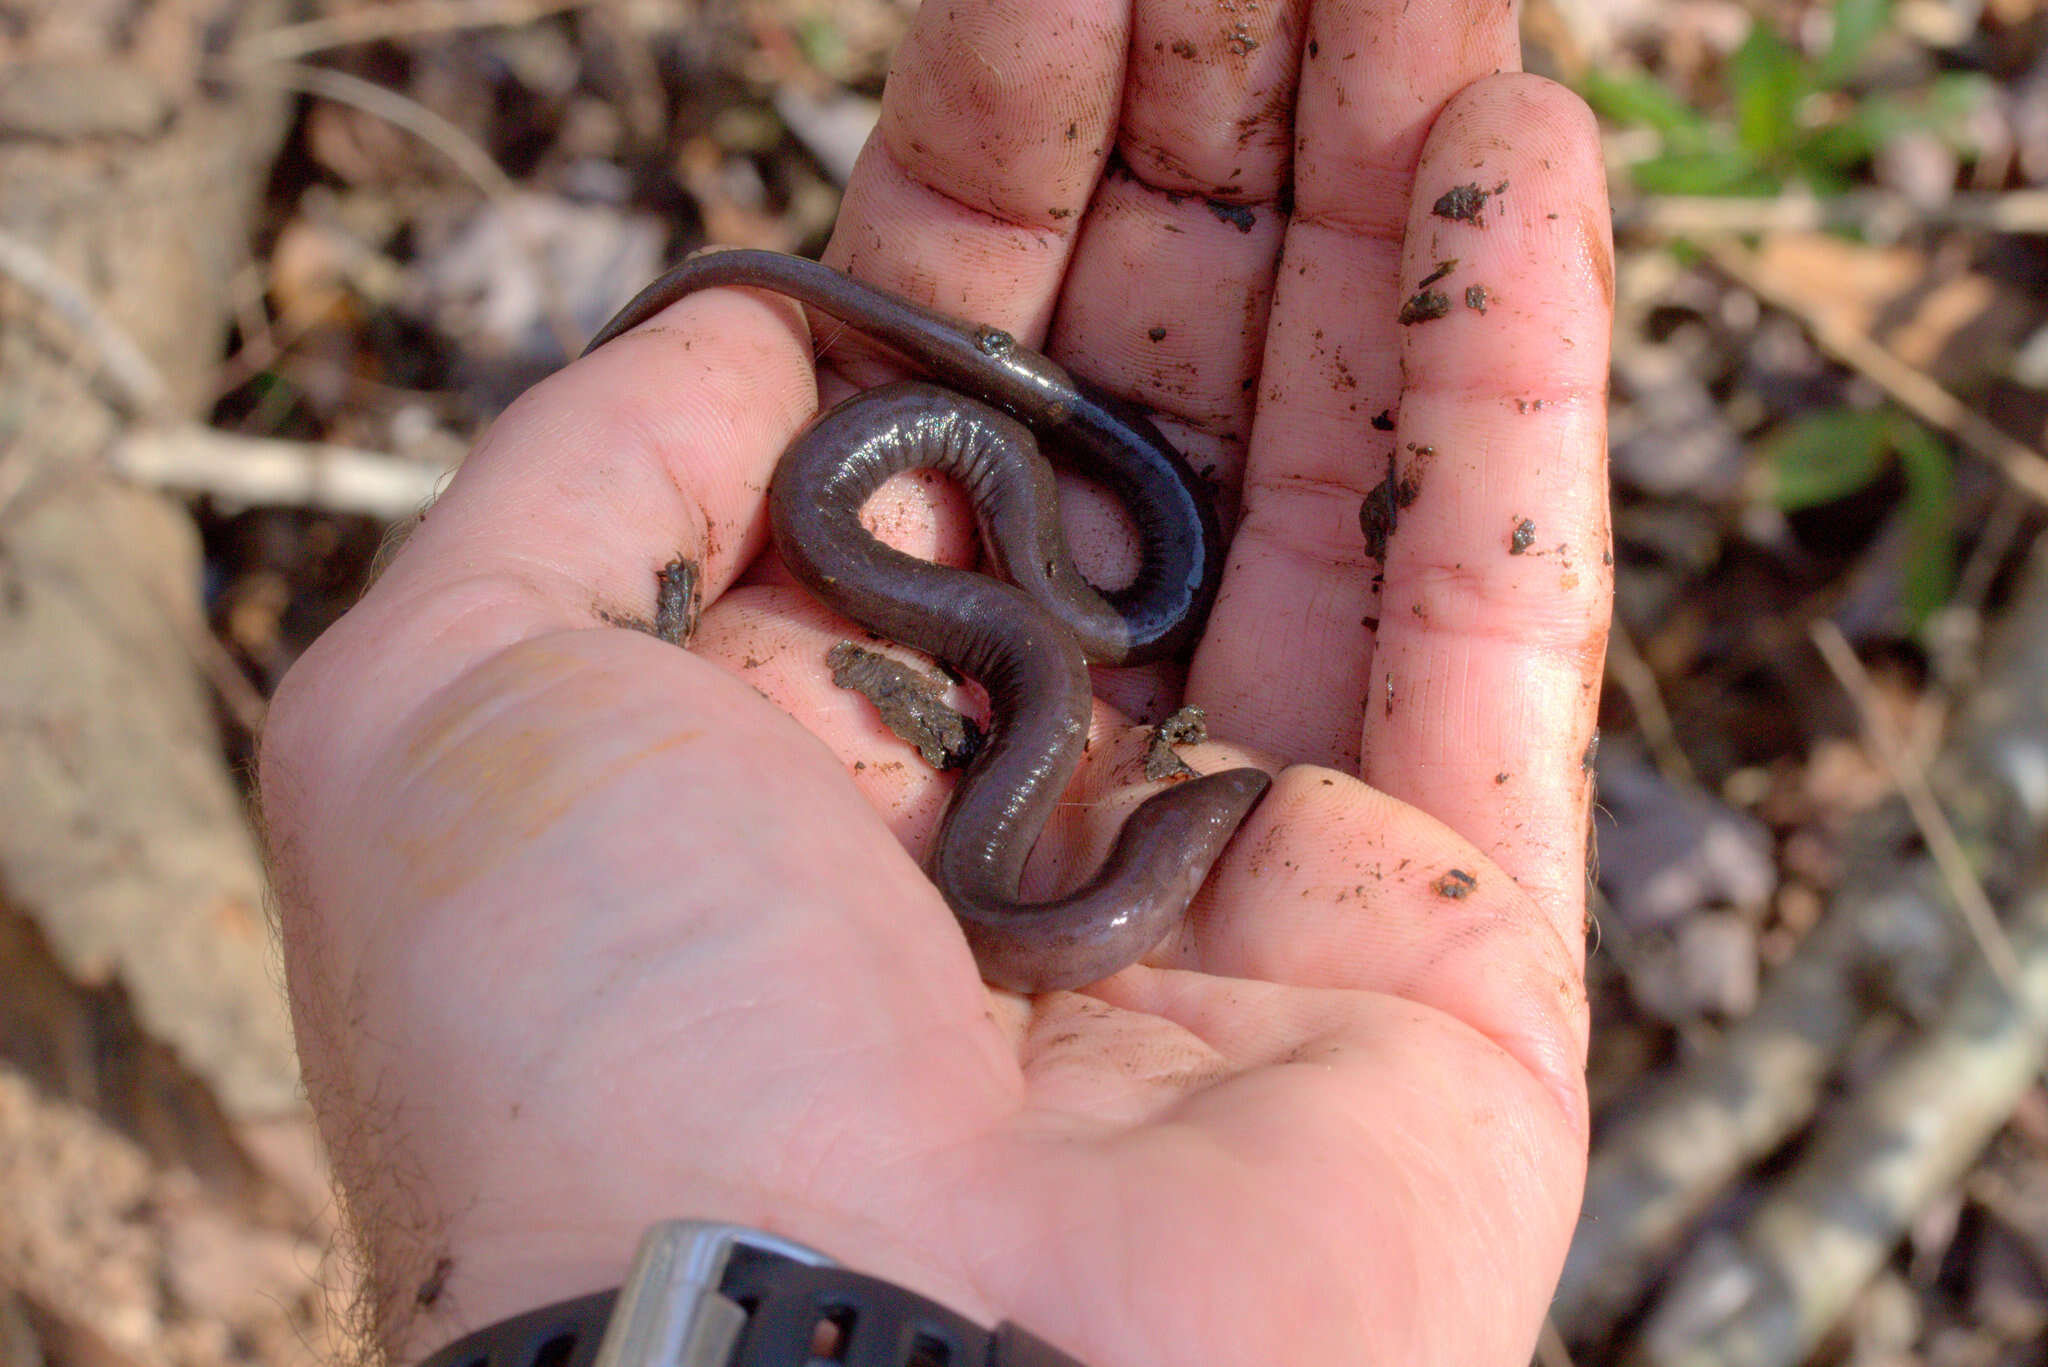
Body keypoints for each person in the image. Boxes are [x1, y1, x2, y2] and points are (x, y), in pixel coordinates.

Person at [258, 1, 1614, 1363]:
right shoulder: (1066, 712)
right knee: (1082, 572)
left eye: (1218, 825)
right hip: (1021, 564)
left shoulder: (1065, 733)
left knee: (1095, 573)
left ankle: (1037, 432)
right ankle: (1034, 432)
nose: (1226, 812)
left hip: (1041, 579)